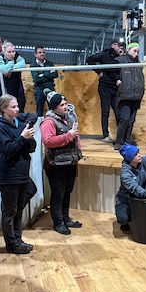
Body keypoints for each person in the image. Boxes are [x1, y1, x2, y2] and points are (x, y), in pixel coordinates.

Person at [0, 94, 37, 254]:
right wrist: (22, 138)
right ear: (3, 109)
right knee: (9, 211)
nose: (17, 109)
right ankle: (12, 244)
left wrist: (22, 140)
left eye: (17, 106)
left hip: (21, 172)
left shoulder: (18, 124)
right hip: (8, 174)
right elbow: (9, 150)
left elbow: (32, 145)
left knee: (17, 210)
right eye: (13, 107)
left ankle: (18, 239)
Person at [40, 91, 83, 235]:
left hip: (69, 162)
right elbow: (48, 141)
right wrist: (68, 136)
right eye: (62, 105)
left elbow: (76, 137)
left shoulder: (68, 118)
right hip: (56, 165)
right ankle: (58, 222)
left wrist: (78, 151)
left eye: (65, 103)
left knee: (67, 192)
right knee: (58, 194)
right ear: (54, 107)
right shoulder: (49, 122)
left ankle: (65, 218)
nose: (66, 107)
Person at [85, 38, 122, 142]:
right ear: (113, 45)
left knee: (118, 111)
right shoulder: (104, 54)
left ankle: (121, 135)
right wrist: (98, 71)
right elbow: (89, 59)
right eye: (118, 45)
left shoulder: (119, 57)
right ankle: (105, 135)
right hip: (105, 86)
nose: (119, 47)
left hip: (115, 87)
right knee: (105, 111)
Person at [0, 41, 28, 113]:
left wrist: (10, 70)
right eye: (9, 52)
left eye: (13, 51)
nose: (12, 54)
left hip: (18, 86)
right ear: (4, 52)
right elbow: (3, 70)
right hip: (5, 87)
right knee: (7, 107)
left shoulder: (18, 57)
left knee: (21, 105)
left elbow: (22, 64)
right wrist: (11, 63)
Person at [31, 46, 59, 117]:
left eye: (43, 52)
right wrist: (48, 74)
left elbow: (55, 74)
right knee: (39, 110)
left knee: (53, 109)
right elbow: (36, 79)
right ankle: (39, 125)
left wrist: (42, 74)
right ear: (35, 54)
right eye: (40, 52)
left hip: (50, 89)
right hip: (39, 89)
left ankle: (54, 125)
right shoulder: (33, 65)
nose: (42, 54)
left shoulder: (50, 64)